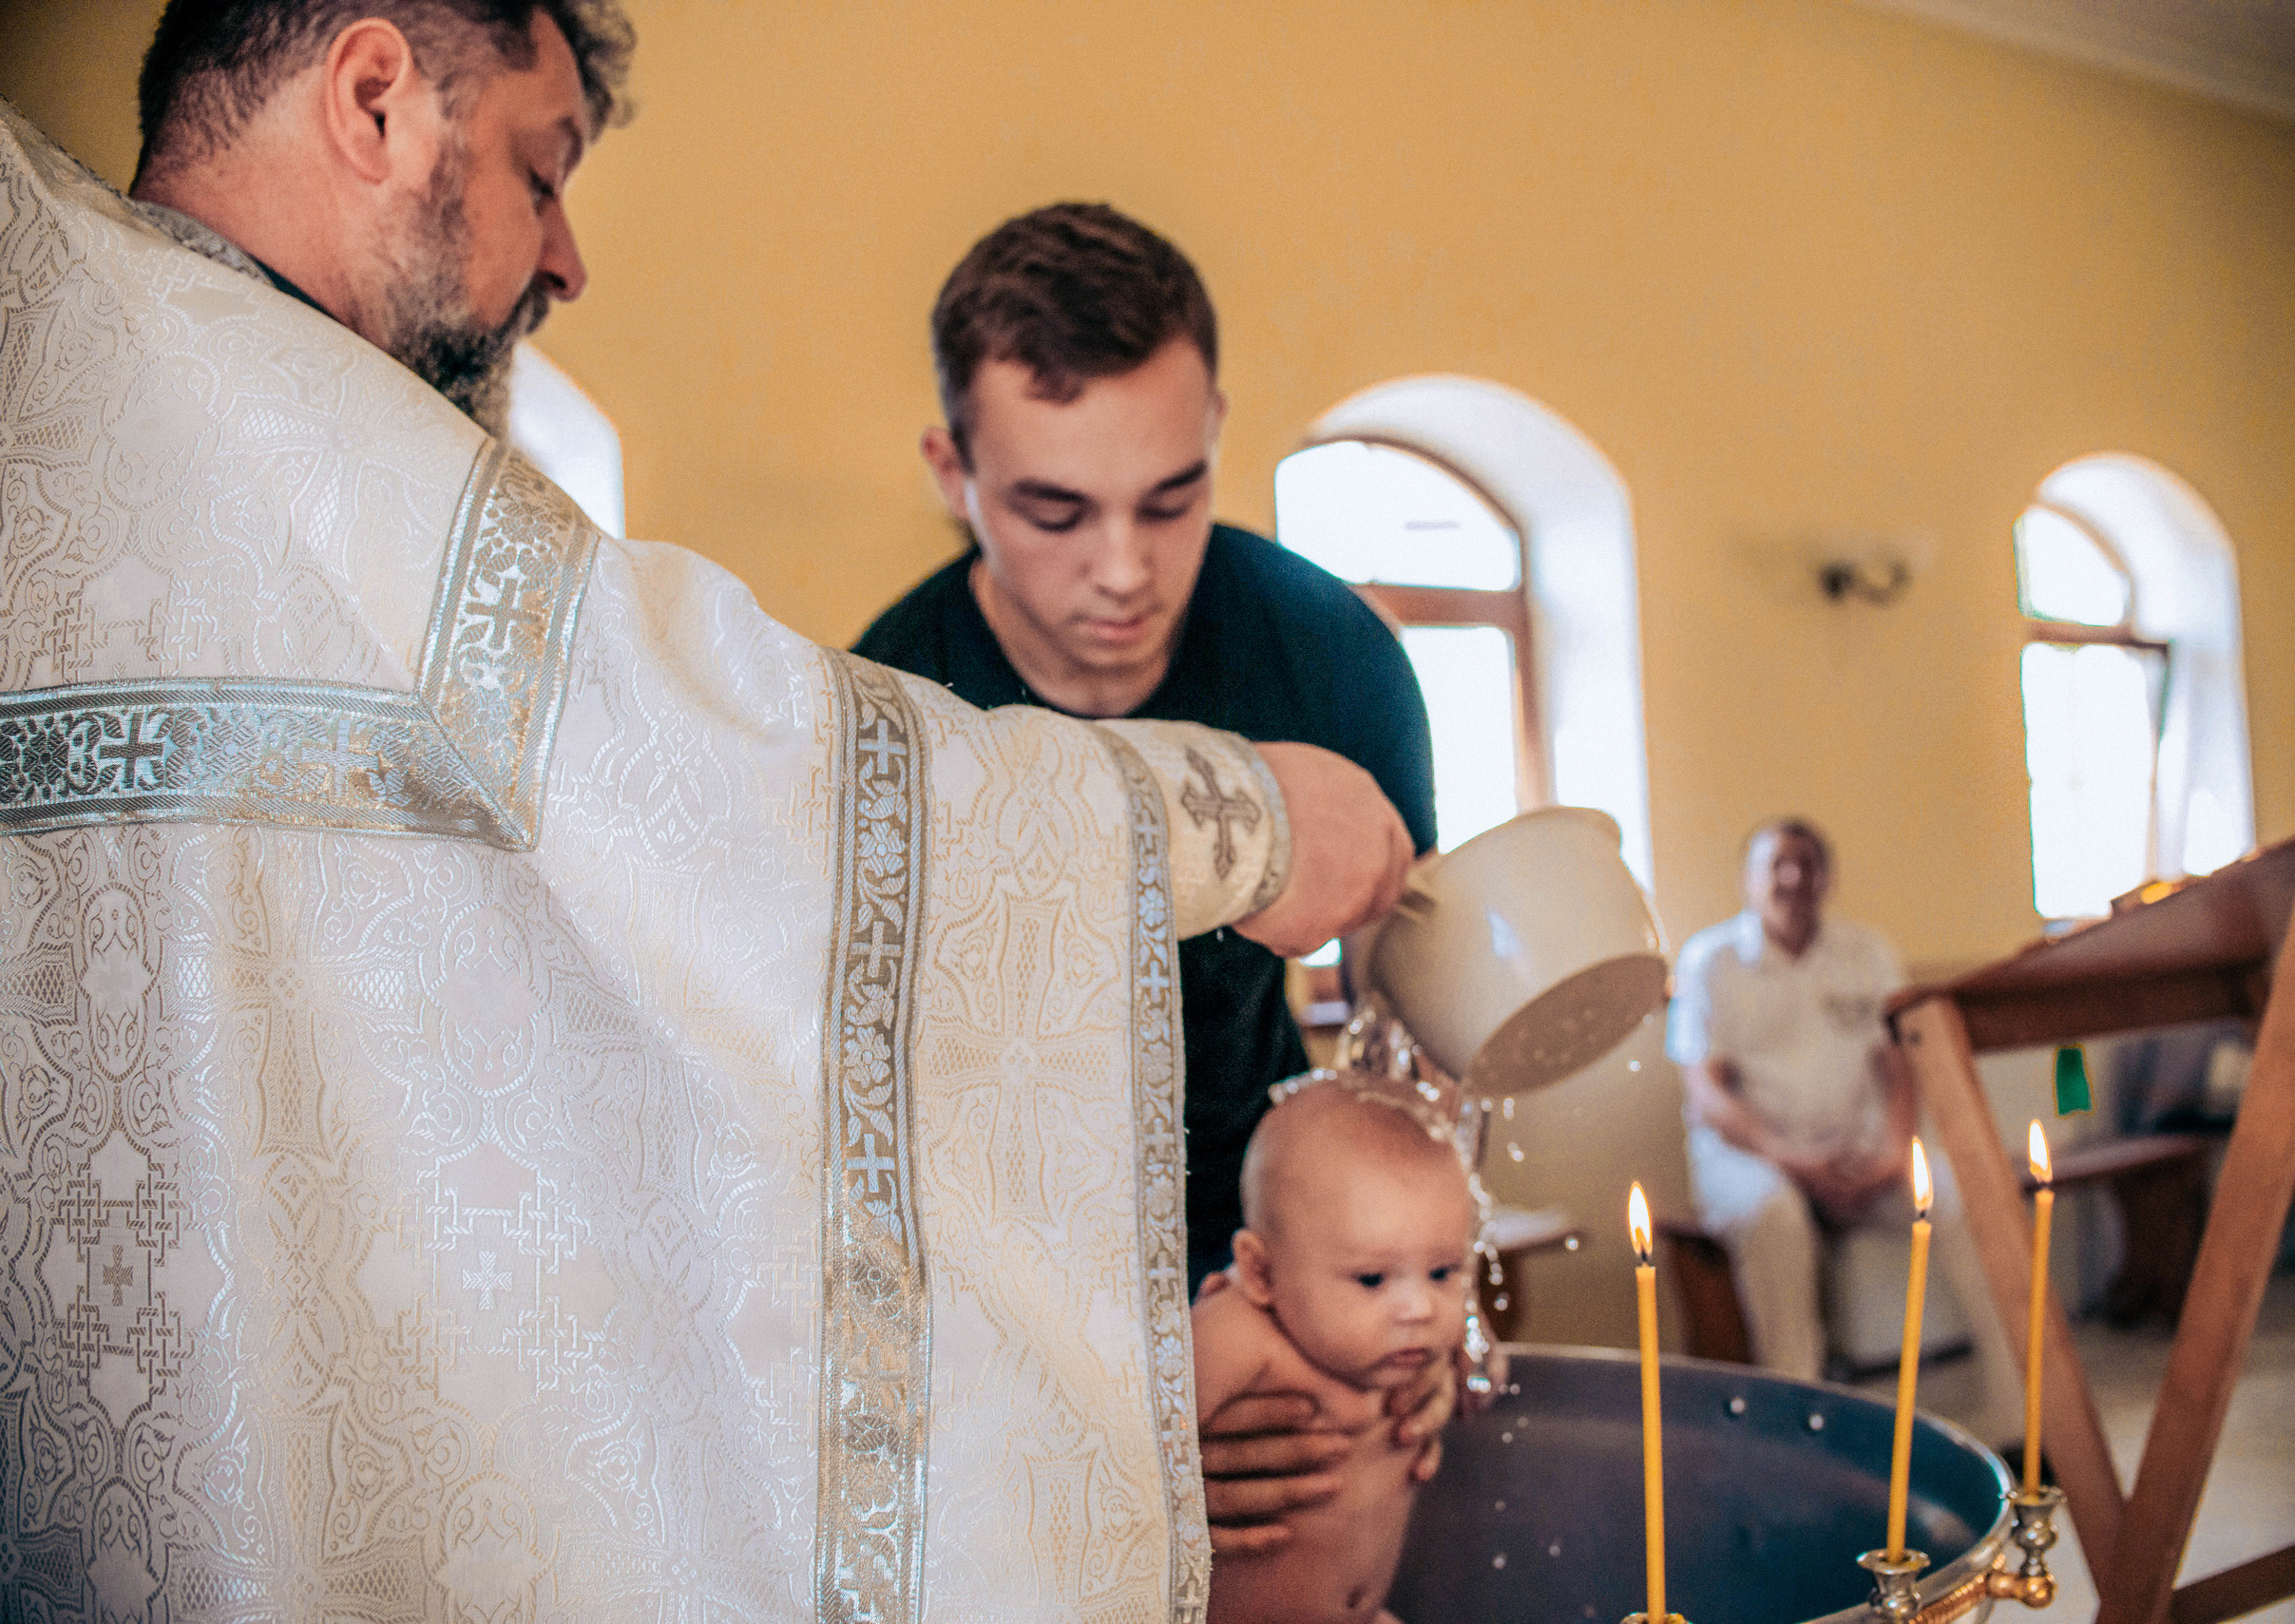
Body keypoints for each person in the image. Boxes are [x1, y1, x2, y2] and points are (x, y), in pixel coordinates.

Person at [0, 6, 1416, 1617]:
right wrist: (1239, 820)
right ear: (374, 98)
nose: (568, 256)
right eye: (543, 171)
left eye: (1171, 498)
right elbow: (760, 821)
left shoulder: (90, 390)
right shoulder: (324, 469)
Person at [853, 204, 1456, 1557]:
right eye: (1054, 510)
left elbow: (1408, 1062)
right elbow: (879, 1155)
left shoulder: (1334, 659)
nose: (1123, 572)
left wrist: (1404, 1312)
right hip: (1005, 1316)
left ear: (1217, 431)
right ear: (953, 469)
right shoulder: (889, 710)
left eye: (1171, 499)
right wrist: (1106, 1422)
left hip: (1272, 1259)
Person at [1668, 819, 2024, 1439]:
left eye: (1807, 863)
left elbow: (1899, 1063)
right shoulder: (1710, 960)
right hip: (1754, 1155)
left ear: (1826, 878)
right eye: (1777, 864)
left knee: (1959, 1196)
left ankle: (2024, 1419)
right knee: (1775, 1218)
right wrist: (1791, 1159)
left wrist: (1894, 1150)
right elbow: (1707, 1093)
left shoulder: (1867, 952)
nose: (1793, 877)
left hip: (1859, 1149)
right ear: (1749, 879)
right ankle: (1802, 1429)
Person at [1191, 1075, 1474, 1624]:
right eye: (1372, 1279)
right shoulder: (1239, 1337)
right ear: (1261, 1272)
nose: (1419, 1308)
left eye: (1443, 1271)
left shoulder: (1414, 1350)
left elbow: (1486, 1379)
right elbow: (1115, 1450)